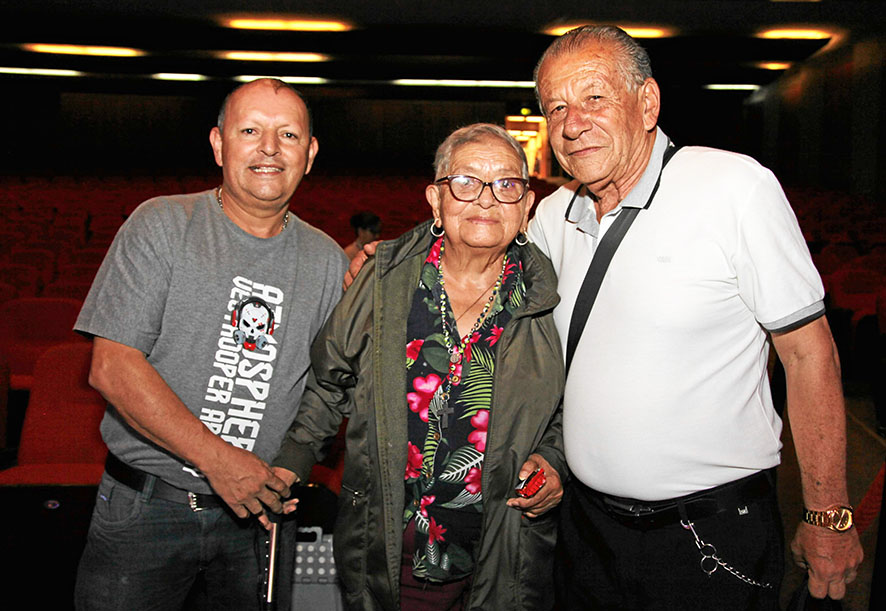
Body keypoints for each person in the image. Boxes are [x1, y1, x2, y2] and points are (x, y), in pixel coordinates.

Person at [527, 25, 864, 609]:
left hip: (711, 536)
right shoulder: (552, 217)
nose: (572, 122)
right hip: (585, 535)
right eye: (555, 106)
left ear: (648, 102)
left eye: (594, 98)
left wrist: (828, 516)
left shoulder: (735, 189)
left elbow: (810, 356)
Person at [73, 78, 348, 610]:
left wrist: (287, 470)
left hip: (260, 518)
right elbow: (112, 367)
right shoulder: (161, 224)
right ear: (219, 144)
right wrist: (221, 462)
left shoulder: (327, 261)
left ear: (309, 155)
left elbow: (327, 391)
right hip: (145, 511)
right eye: (250, 130)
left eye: (288, 135)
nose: (270, 148)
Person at [272, 124, 567, 610]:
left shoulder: (548, 296)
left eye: (506, 185)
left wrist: (553, 463)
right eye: (466, 181)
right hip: (385, 547)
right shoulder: (383, 280)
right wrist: (291, 464)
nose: (486, 200)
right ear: (435, 199)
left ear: (527, 205)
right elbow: (330, 382)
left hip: (499, 551)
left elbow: (565, 409)